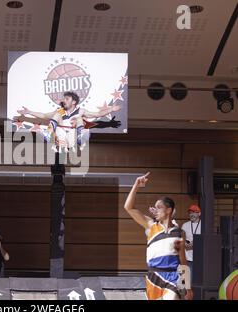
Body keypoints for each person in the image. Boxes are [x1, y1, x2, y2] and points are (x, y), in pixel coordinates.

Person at [124, 172, 193, 300]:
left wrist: (188, 288)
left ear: (169, 210)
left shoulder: (179, 233)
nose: (155, 210)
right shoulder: (151, 226)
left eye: (159, 207)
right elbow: (128, 207)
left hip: (172, 276)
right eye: (155, 207)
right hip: (153, 277)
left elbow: (183, 262)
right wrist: (136, 185)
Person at [17, 91, 121, 151]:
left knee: (79, 118)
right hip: (61, 139)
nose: (64, 101)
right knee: (57, 114)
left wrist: (111, 109)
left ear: (74, 102)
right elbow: (44, 115)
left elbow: (98, 114)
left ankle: (80, 138)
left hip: (73, 138)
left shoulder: (80, 111)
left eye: (67, 99)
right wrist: (29, 111)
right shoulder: (60, 111)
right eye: (64, 99)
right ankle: (49, 134)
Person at [181, 204, 201, 274]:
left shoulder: (203, 225)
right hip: (187, 257)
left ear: (199, 213)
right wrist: (185, 243)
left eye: (194, 212)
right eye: (190, 213)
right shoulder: (185, 225)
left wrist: (195, 243)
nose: (192, 214)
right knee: (187, 279)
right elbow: (181, 238)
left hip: (199, 257)